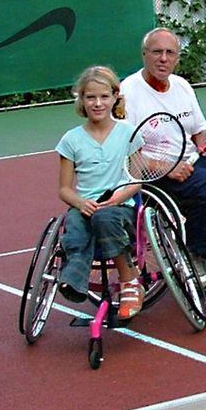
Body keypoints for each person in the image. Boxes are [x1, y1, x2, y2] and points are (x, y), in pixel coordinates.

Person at [120, 28, 206, 288]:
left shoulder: (181, 86)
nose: (163, 58)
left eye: (170, 53)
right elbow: (126, 157)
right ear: (144, 54)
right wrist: (167, 167)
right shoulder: (128, 93)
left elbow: (198, 134)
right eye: (157, 52)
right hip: (152, 174)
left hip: (190, 163)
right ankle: (195, 253)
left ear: (177, 58)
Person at [56, 66, 145, 319]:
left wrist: (119, 198)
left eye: (104, 97)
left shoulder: (128, 133)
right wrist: (81, 202)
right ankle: (74, 280)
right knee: (74, 225)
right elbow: (64, 189)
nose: (97, 103)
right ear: (81, 100)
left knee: (104, 218)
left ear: (115, 96)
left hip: (121, 207)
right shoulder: (71, 140)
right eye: (90, 97)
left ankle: (130, 281)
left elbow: (138, 180)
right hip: (85, 206)